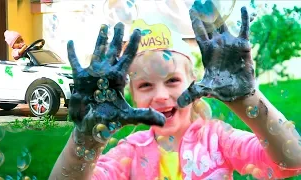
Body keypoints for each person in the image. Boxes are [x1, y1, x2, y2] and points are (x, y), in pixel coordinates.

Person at [49, 2, 301, 180]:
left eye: (172, 80)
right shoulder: (129, 152)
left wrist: (248, 99)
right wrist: (86, 140)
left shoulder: (218, 140)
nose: (160, 95)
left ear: (193, 82)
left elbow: (291, 163)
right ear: (132, 94)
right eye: (145, 85)